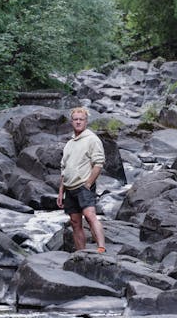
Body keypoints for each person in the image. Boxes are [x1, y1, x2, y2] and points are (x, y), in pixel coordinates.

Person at [57, 107, 106, 253]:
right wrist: (61, 192)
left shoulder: (92, 140)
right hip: (70, 188)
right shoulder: (69, 144)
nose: (78, 122)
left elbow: (99, 163)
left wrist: (88, 183)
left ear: (86, 121)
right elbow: (63, 169)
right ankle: (81, 254)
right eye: (75, 119)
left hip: (84, 186)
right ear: (72, 122)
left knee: (90, 216)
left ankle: (101, 248)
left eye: (81, 119)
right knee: (75, 222)